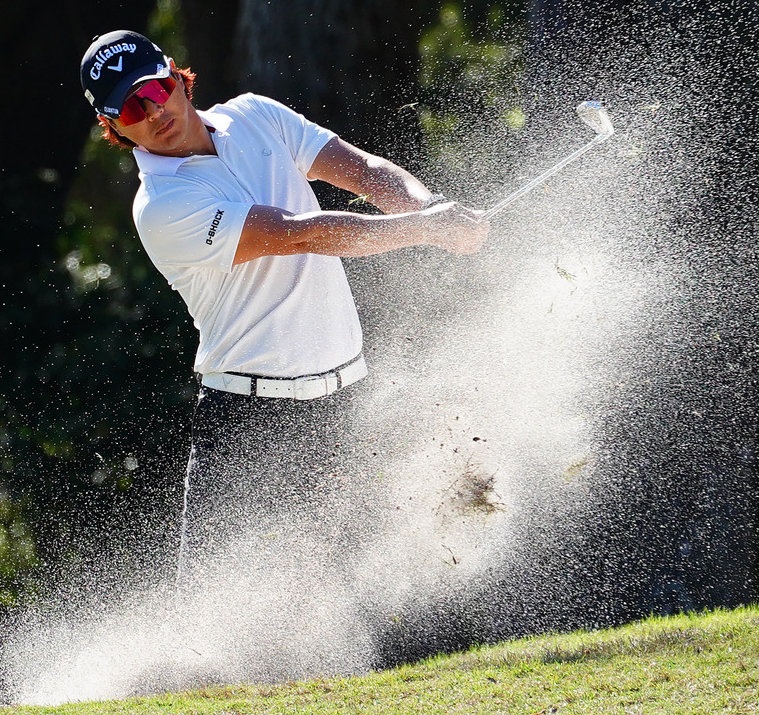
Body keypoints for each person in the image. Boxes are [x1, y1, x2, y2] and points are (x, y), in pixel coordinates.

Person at [78, 29, 489, 585]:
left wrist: (430, 207)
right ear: (114, 128)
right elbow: (300, 235)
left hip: (346, 402)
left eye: (154, 90)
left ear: (176, 76)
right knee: (217, 613)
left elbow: (364, 172)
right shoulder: (161, 205)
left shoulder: (255, 116)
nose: (152, 112)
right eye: (130, 108)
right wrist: (422, 230)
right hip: (250, 420)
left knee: (371, 594)